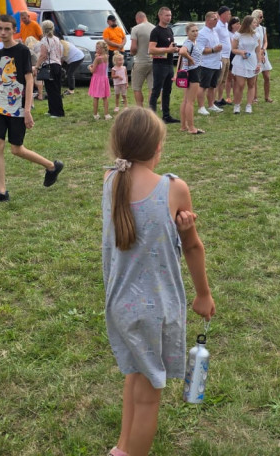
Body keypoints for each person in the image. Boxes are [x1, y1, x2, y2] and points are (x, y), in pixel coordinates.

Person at [102, 107, 214, 456]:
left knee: (135, 376)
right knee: (149, 397)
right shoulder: (174, 188)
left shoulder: (109, 180)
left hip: (120, 306)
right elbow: (193, 246)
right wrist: (203, 295)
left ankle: (121, 449)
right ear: (156, 148)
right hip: (156, 310)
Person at [0, 14, 63, 207]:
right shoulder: (0, 53)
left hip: (18, 106)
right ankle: (2, 192)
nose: (3, 32)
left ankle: (52, 167)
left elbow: (28, 80)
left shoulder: (22, 51)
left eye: (7, 29)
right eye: (0, 29)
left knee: (17, 149)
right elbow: (0, 81)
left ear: (13, 30)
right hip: (1, 105)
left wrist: (27, 110)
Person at [148, 6, 180, 124]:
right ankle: (152, 117)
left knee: (167, 90)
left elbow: (169, 47)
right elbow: (151, 49)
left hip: (169, 64)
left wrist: (174, 49)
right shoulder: (156, 31)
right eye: (166, 15)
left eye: (170, 15)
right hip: (159, 65)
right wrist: (167, 49)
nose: (169, 17)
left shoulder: (170, 30)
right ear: (160, 16)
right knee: (156, 90)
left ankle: (166, 116)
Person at [230, 15, 262, 114]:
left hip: (252, 60)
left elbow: (258, 51)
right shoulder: (238, 35)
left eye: (256, 23)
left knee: (251, 84)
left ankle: (249, 105)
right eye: (254, 23)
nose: (256, 24)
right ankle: (237, 105)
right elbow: (233, 49)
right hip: (240, 61)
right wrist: (241, 52)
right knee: (240, 85)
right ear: (248, 24)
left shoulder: (257, 35)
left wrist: (259, 63)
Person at [195, 11, 224, 116]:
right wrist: (213, 50)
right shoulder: (202, 33)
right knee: (203, 86)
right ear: (208, 20)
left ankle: (211, 105)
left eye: (217, 19)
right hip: (206, 64)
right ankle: (201, 107)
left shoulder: (214, 31)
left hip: (216, 63)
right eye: (214, 19)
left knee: (213, 86)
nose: (217, 21)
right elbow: (200, 49)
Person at [36, 20, 65, 118]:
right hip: (57, 64)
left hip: (49, 66)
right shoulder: (56, 39)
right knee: (56, 88)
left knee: (52, 90)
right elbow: (61, 52)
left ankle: (57, 112)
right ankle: (52, 109)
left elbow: (43, 55)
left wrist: (37, 66)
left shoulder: (44, 40)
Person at [178, 23, 203, 134]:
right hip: (193, 72)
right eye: (192, 31)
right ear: (187, 33)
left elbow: (181, 56)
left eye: (197, 30)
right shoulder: (188, 43)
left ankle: (184, 126)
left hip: (187, 72)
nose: (195, 33)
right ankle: (191, 128)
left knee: (186, 100)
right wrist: (190, 59)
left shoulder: (192, 43)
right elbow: (182, 52)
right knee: (190, 102)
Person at [130, 11, 155, 106]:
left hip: (140, 61)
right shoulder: (154, 28)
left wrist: (133, 54)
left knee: (137, 87)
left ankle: (140, 107)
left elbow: (133, 48)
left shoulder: (135, 29)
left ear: (137, 19)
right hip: (153, 60)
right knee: (152, 87)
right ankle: (151, 108)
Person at [252, 9, 273, 103]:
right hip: (255, 54)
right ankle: (254, 97)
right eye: (260, 16)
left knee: (267, 77)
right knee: (255, 77)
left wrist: (263, 50)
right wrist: (258, 52)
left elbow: (265, 41)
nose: (262, 18)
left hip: (263, 54)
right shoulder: (251, 28)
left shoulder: (263, 28)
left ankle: (267, 97)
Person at [213, 6, 232, 107]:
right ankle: (214, 100)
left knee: (224, 80)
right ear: (223, 14)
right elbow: (215, 40)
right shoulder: (217, 26)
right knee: (218, 79)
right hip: (221, 56)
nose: (230, 16)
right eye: (228, 14)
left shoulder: (226, 25)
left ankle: (220, 99)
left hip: (227, 56)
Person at [89, 40, 112, 120]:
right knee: (105, 97)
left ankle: (95, 114)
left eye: (98, 48)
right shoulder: (106, 56)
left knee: (96, 97)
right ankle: (106, 114)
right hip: (104, 78)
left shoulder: (98, 58)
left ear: (102, 49)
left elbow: (93, 70)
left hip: (97, 79)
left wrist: (89, 67)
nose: (96, 50)